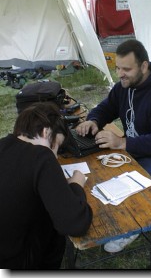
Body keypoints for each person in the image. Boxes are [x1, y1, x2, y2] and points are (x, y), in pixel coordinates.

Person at [76, 39, 151, 253]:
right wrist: (94, 120)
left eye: (126, 69)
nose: (120, 74)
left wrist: (122, 143)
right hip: (135, 150)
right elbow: (107, 107)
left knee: (128, 189)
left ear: (144, 66)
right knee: (99, 175)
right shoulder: (124, 87)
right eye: (117, 68)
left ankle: (132, 227)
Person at [0, 102, 93, 269]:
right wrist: (76, 186)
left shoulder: (4, 144)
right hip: (13, 262)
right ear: (46, 131)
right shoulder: (41, 156)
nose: (55, 156)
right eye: (56, 146)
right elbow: (75, 224)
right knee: (52, 219)